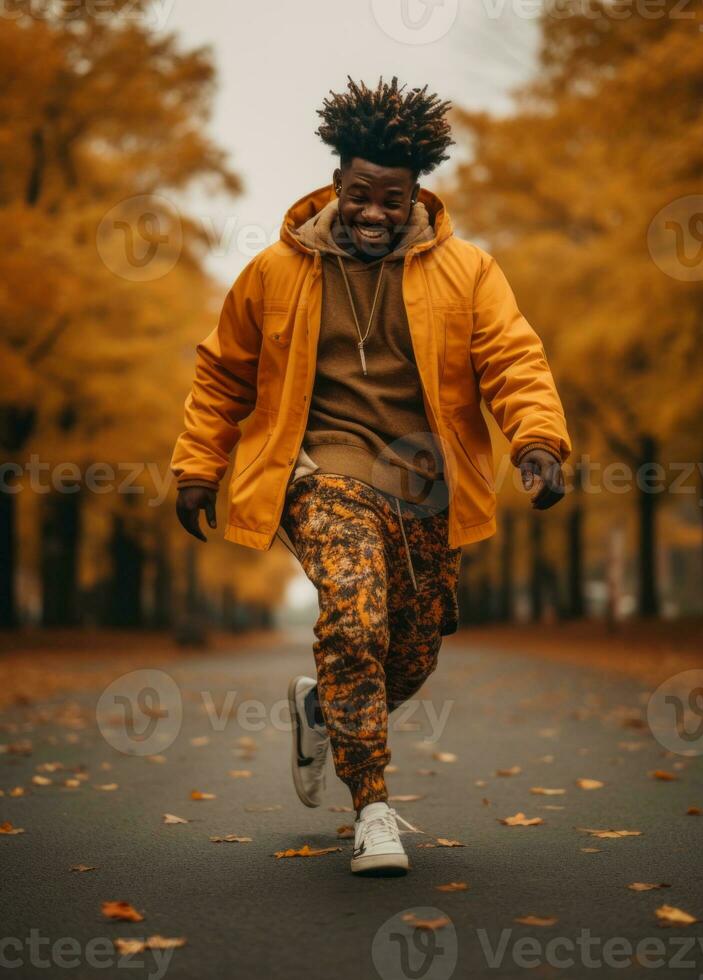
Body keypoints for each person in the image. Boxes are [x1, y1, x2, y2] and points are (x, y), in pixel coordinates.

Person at [171, 76, 572, 876]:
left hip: (427, 487)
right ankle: (374, 809)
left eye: (392, 199)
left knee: (411, 654)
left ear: (417, 193)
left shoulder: (468, 272)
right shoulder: (275, 273)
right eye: (360, 195)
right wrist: (197, 466)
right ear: (337, 183)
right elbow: (223, 374)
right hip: (322, 471)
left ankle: (325, 708)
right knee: (355, 619)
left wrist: (537, 439)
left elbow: (513, 360)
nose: (374, 214)